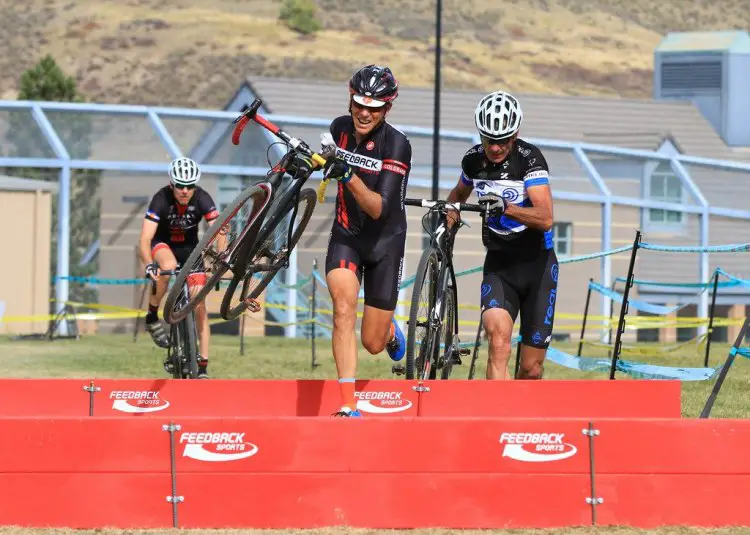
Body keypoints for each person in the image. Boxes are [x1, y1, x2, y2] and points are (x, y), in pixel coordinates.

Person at [320, 64, 412, 417]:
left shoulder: (397, 145)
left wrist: (348, 173)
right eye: (358, 103)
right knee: (343, 307)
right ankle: (348, 404)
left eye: (373, 107)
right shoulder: (339, 129)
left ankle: (387, 330)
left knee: (372, 343)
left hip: (385, 243)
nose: (363, 112)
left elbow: (378, 208)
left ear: (387, 108)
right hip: (347, 236)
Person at [445, 90, 557, 380]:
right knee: (498, 341)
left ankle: (520, 421)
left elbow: (546, 218)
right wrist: (450, 214)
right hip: (499, 266)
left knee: (531, 370)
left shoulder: (529, 159)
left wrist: (507, 208)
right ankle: (496, 421)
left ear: (515, 133)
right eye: (488, 140)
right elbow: (458, 194)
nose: (495, 147)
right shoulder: (473, 161)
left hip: (538, 266)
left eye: (502, 140)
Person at [137, 156, 220, 378]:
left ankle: (202, 365)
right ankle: (152, 315)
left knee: (199, 303)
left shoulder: (202, 197)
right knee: (167, 265)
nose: (185, 191)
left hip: (190, 250)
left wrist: (221, 258)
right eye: (180, 186)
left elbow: (220, 229)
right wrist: (148, 265)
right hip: (164, 245)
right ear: (172, 184)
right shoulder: (160, 199)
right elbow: (145, 238)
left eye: (190, 186)